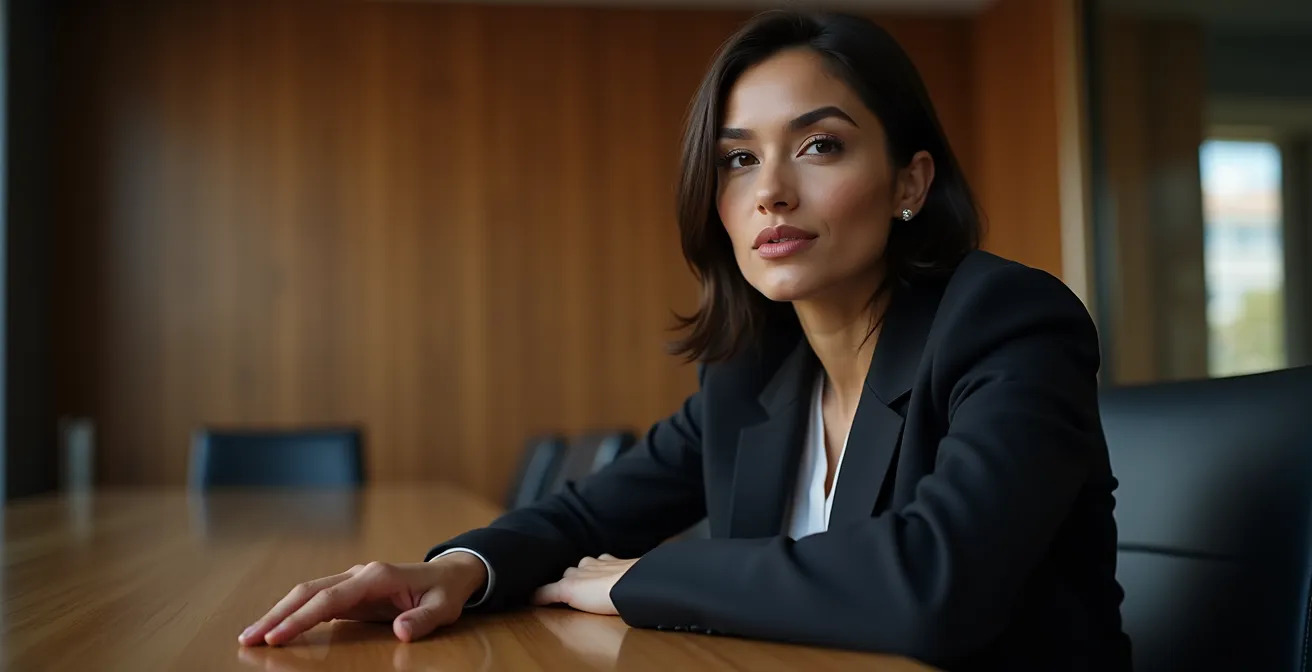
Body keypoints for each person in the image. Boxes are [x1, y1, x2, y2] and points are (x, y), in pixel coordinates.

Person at [239, 10, 1132, 671]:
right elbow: (587, 516)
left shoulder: (1008, 320)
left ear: (909, 181)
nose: (770, 192)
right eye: (739, 158)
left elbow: (937, 586)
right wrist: (457, 570)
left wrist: (644, 581)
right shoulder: (757, 373)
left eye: (819, 146)